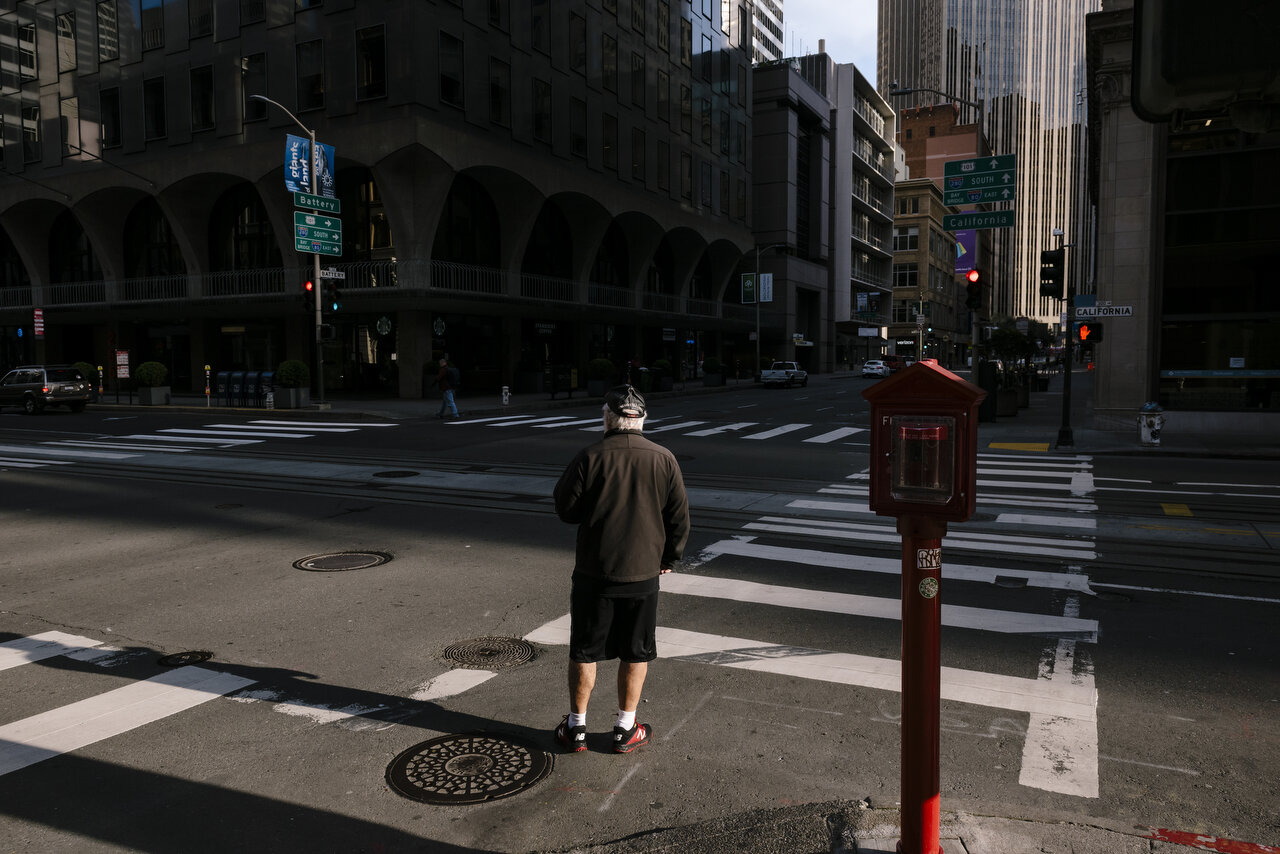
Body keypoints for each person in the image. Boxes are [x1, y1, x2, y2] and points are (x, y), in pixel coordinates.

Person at [552, 385, 690, 754]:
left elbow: (566, 510)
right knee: (636, 651)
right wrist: (668, 559)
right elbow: (679, 519)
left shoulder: (589, 456)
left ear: (607, 419)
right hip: (643, 574)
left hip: (595, 573)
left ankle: (576, 728)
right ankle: (625, 728)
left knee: (585, 650)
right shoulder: (664, 459)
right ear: (642, 420)